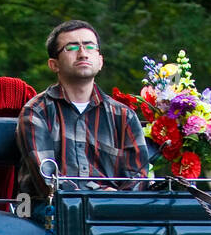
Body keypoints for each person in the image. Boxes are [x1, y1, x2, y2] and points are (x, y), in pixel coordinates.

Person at [15, 19, 147, 217]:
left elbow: (138, 178)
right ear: (54, 64)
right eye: (72, 47)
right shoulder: (36, 111)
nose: (83, 53)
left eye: (90, 46)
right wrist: (98, 196)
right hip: (49, 209)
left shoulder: (124, 116)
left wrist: (118, 203)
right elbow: (48, 181)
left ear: (100, 61)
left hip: (113, 210)